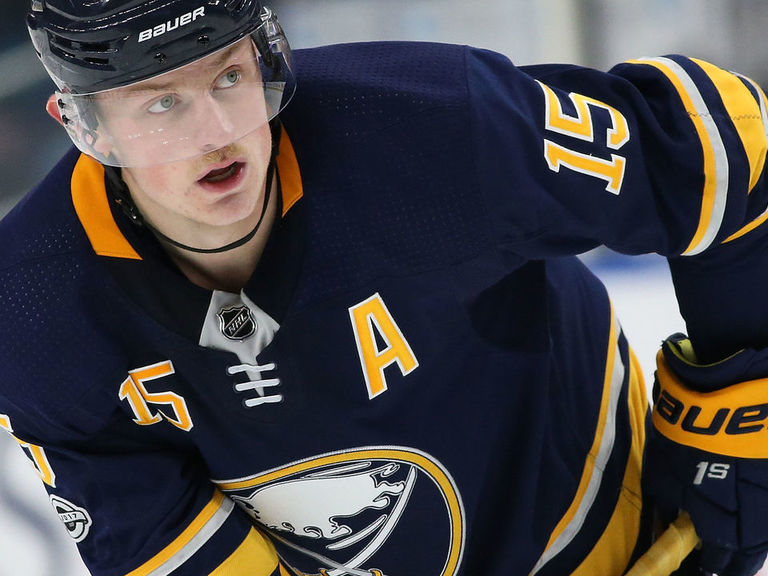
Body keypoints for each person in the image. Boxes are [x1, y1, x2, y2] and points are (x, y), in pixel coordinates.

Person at [3, 1, 768, 575]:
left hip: (605, 535)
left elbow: (722, 147)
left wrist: (738, 416)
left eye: (229, 76)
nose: (216, 132)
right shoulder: (30, 314)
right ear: (82, 123)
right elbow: (158, 539)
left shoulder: (432, 128)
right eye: (161, 103)